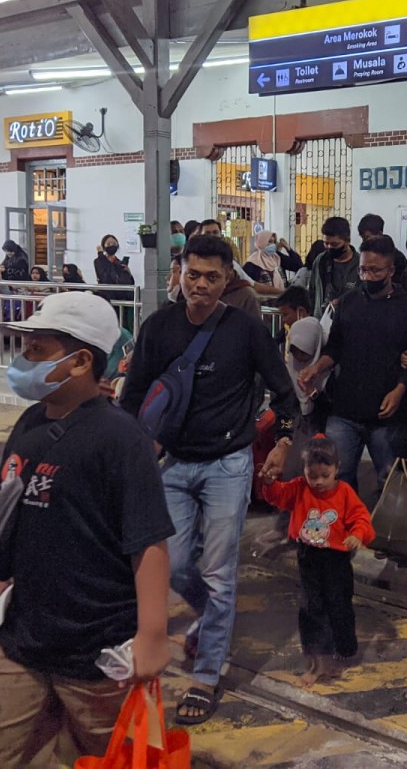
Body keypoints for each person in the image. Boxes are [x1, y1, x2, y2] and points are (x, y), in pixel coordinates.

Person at [0, 292, 173, 767]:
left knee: (115, 759)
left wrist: (152, 635)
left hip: (98, 655)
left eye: (37, 350)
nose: (23, 360)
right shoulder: (29, 422)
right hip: (23, 642)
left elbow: (149, 544)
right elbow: (11, 507)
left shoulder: (121, 440)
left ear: (81, 362)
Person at [120, 234, 296, 724]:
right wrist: (133, 453)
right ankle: (212, 616)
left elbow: (285, 396)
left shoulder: (246, 329)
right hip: (172, 465)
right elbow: (132, 396)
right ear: (179, 273)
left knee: (219, 573)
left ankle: (207, 674)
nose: (199, 285)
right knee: (174, 567)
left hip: (228, 464)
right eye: (192, 274)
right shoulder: (157, 328)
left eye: (211, 277)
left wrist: (282, 443)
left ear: (227, 280)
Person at [298, 235, 407, 496]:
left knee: (389, 482)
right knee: (338, 479)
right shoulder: (349, 302)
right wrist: (317, 367)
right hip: (344, 409)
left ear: (391, 270)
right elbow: (336, 347)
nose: (367, 276)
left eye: (375, 270)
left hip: (386, 414)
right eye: (363, 270)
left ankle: (383, 523)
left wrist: (399, 390)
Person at [257, 435, 372, 685]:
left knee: (340, 606)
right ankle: (318, 659)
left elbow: (361, 517)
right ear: (304, 470)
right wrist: (269, 482)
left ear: (337, 469)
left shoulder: (344, 492)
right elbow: (279, 496)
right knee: (311, 608)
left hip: (337, 560)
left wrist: (357, 534)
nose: (318, 482)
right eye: (313, 476)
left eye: (325, 476)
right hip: (308, 557)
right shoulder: (299, 487)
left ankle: (344, 649)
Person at [299, 217, 360, 317]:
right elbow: (313, 292)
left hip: (350, 320)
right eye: (326, 243)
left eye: (335, 244)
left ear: (347, 240)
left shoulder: (360, 264)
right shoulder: (320, 261)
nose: (329, 247)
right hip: (321, 319)